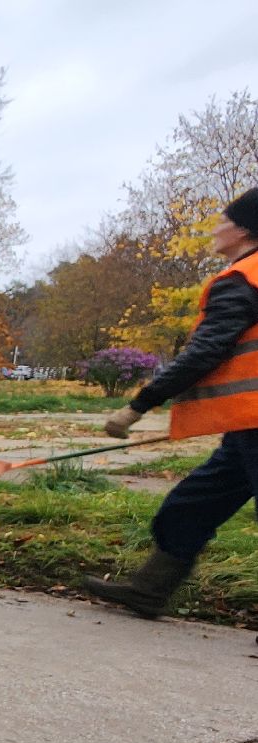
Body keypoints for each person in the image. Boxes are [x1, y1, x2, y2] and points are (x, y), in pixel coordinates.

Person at [85, 187, 258, 619]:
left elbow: (205, 352)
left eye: (223, 220)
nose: (216, 228)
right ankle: (149, 589)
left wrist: (139, 405)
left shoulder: (243, 279)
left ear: (243, 229)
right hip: (247, 428)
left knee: (193, 504)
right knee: (191, 506)